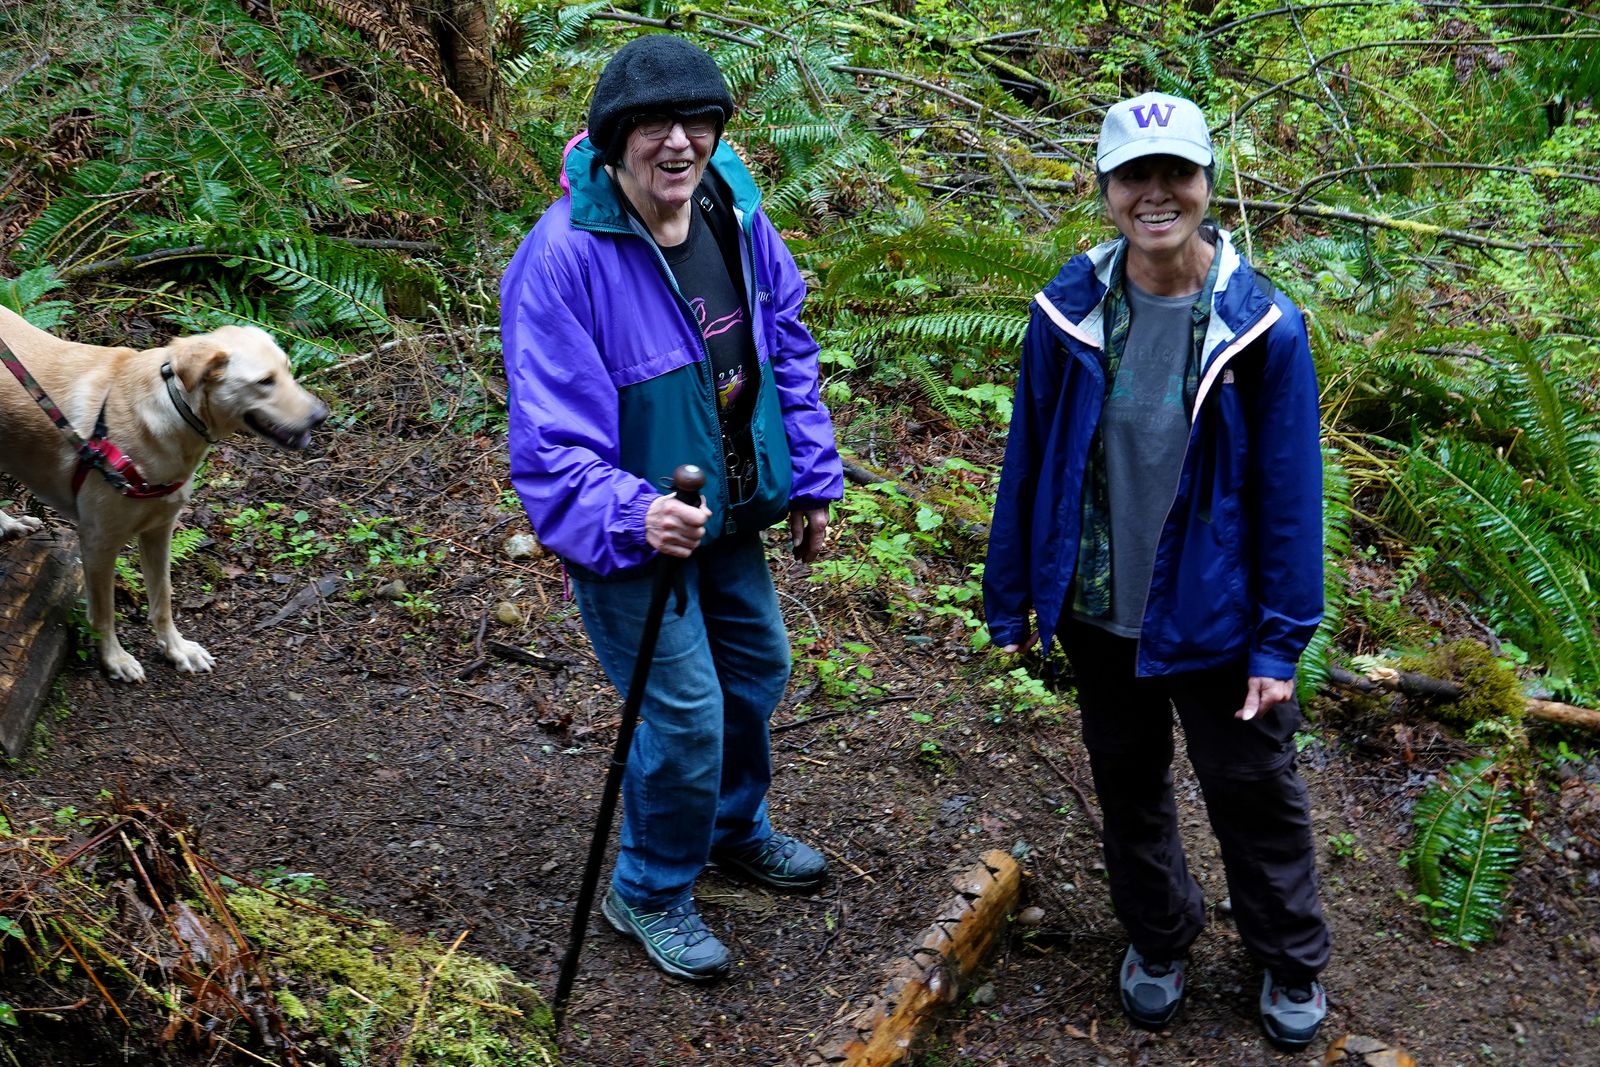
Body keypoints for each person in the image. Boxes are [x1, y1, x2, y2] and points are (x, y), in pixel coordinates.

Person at [983, 91, 1332, 1049]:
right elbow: (1033, 458)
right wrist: (1010, 592)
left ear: (1207, 184)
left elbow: (1291, 498)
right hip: (1101, 609)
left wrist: (1279, 640)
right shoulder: (1069, 314)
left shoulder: (1262, 328)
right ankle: (1159, 934)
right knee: (1128, 779)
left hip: (1218, 619)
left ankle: (1289, 955)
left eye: (1175, 173)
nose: (1156, 193)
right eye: (1135, 176)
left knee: (1252, 790)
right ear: (1106, 191)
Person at [500, 34, 843, 983]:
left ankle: (731, 827)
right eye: (655, 126)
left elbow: (785, 342)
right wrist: (632, 511)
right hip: (633, 532)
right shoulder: (563, 260)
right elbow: (550, 446)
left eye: (697, 122)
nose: (680, 144)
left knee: (757, 672)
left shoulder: (733, 210)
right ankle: (648, 888)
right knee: (684, 711)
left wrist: (809, 473)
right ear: (614, 145)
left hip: (727, 509)